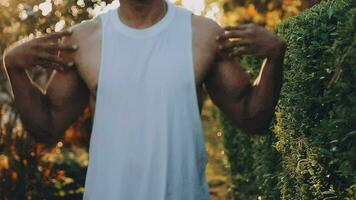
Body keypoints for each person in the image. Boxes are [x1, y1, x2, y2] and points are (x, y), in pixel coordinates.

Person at [2, 0, 286, 199]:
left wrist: (274, 58)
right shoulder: (83, 39)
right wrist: (14, 67)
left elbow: (252, 117)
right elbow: (46, 126)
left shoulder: (203, 34)